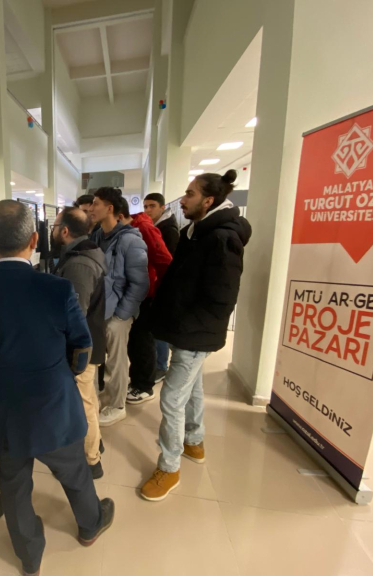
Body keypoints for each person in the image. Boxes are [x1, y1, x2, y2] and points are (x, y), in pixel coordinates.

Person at [0, 200, 115, 576]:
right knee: (74, 472)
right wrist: (61, 373)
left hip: (4, 407)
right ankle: (90, 525)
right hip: (53, 405)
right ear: (33, 239)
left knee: (13, 485)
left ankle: (29, 556)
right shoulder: (56, 289)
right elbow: (81, 348)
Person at [141, 170, 251, 502]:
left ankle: (169, 466)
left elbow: (222, 297)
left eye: (190, 194)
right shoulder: (197, 231)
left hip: (194, 333)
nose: (183, 199)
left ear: (208, 200)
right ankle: (194, 441)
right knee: (193, 388)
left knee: (171, 398)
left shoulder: (221, 238)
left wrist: (188, 325)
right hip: (185, 328)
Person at [51, 207, 107, 479]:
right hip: (87, 341)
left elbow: (76, 313)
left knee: (83, 403)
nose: (51, 230)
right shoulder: (80, 254)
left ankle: (91, 460)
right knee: (89, 399)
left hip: (81, 348)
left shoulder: (79, 264)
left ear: (64, 231)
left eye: (54, 226)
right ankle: (96, 444)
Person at [90, 188, 149, 427]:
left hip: (117, 313)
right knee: (100, 358)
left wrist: (122, 315)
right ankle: (106, 396)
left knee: (116, 360)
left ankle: (117, 405)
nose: (91, 208)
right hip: (98, 310)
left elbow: (140, 283)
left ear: (110, 208)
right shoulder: (97, 236)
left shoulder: (131, 241)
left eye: (96, 203)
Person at [114, 199, 172, 405]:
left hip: (145, 295)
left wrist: (160, 294)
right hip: (130, 294)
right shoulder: (125, 230)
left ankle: (144, 386)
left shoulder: (144, 229)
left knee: (142, 341)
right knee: (135, 342)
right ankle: (138, 380)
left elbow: (164, 261)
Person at [143, 193, 179, 384]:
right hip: (156, 285)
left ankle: (161, 366)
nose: (148, 210)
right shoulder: (156, 226)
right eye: (145, 206)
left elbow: (168, 261)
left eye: (152, 206)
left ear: (162, 207)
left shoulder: (168, 229)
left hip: (163, 286)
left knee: (159, 329)